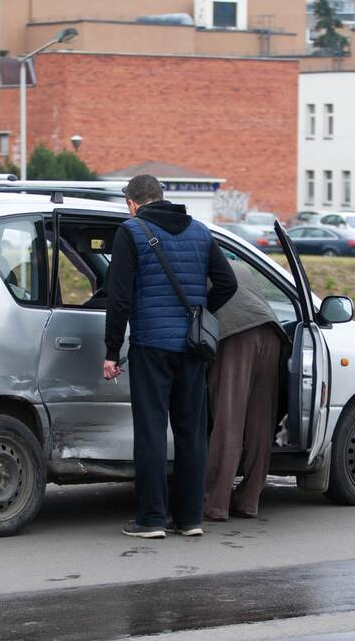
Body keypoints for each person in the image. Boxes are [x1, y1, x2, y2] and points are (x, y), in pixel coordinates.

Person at [103, 175, 237, 539]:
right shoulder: (200, 231)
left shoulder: (131, 231)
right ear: (162, 197)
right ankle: (191, 518)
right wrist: (200, 313)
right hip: (193, 349)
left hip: (151, 345)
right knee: (192, 434)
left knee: (151, 432)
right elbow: (228, 283)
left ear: (132, 203)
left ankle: (150, 519)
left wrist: (112, 351)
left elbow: (119, 299)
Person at [203, 261, 284, 521]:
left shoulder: (194, 264)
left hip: (235, 335)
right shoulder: (237, 265)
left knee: (229, 420)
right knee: (260, 423)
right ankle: (249, 500)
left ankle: (215, 503)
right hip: (271, 334)